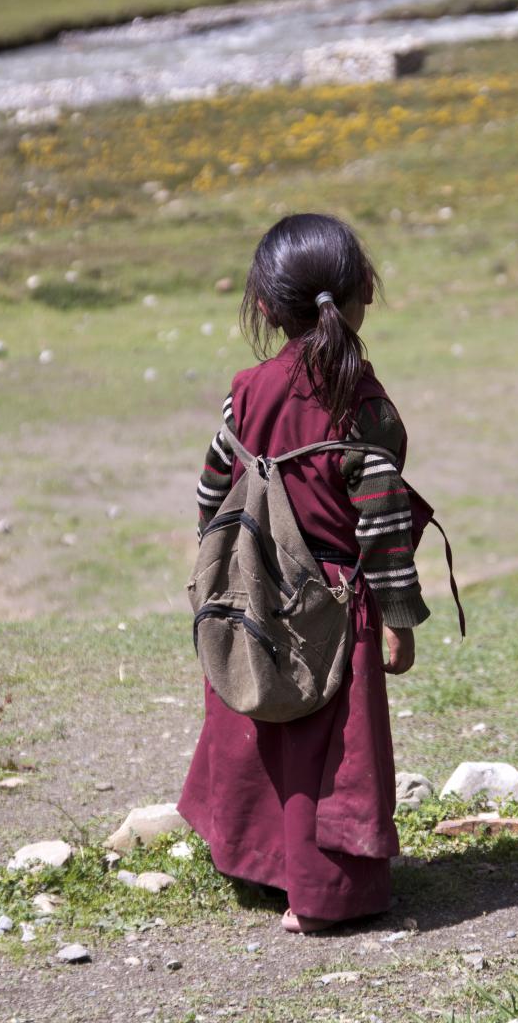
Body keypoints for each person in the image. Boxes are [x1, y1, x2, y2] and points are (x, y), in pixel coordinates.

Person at [178, 213, 430, 934]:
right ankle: (321, 896)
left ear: (264, 307)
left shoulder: (247, 388)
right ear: (363, 295)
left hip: (252, 589)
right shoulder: (363, 402)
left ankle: (259, 865)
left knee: (255, 725)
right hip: (335, 604)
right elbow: (381, 520)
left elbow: (212, 485)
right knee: (331, 751)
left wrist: (222, 568)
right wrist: (400, 617)